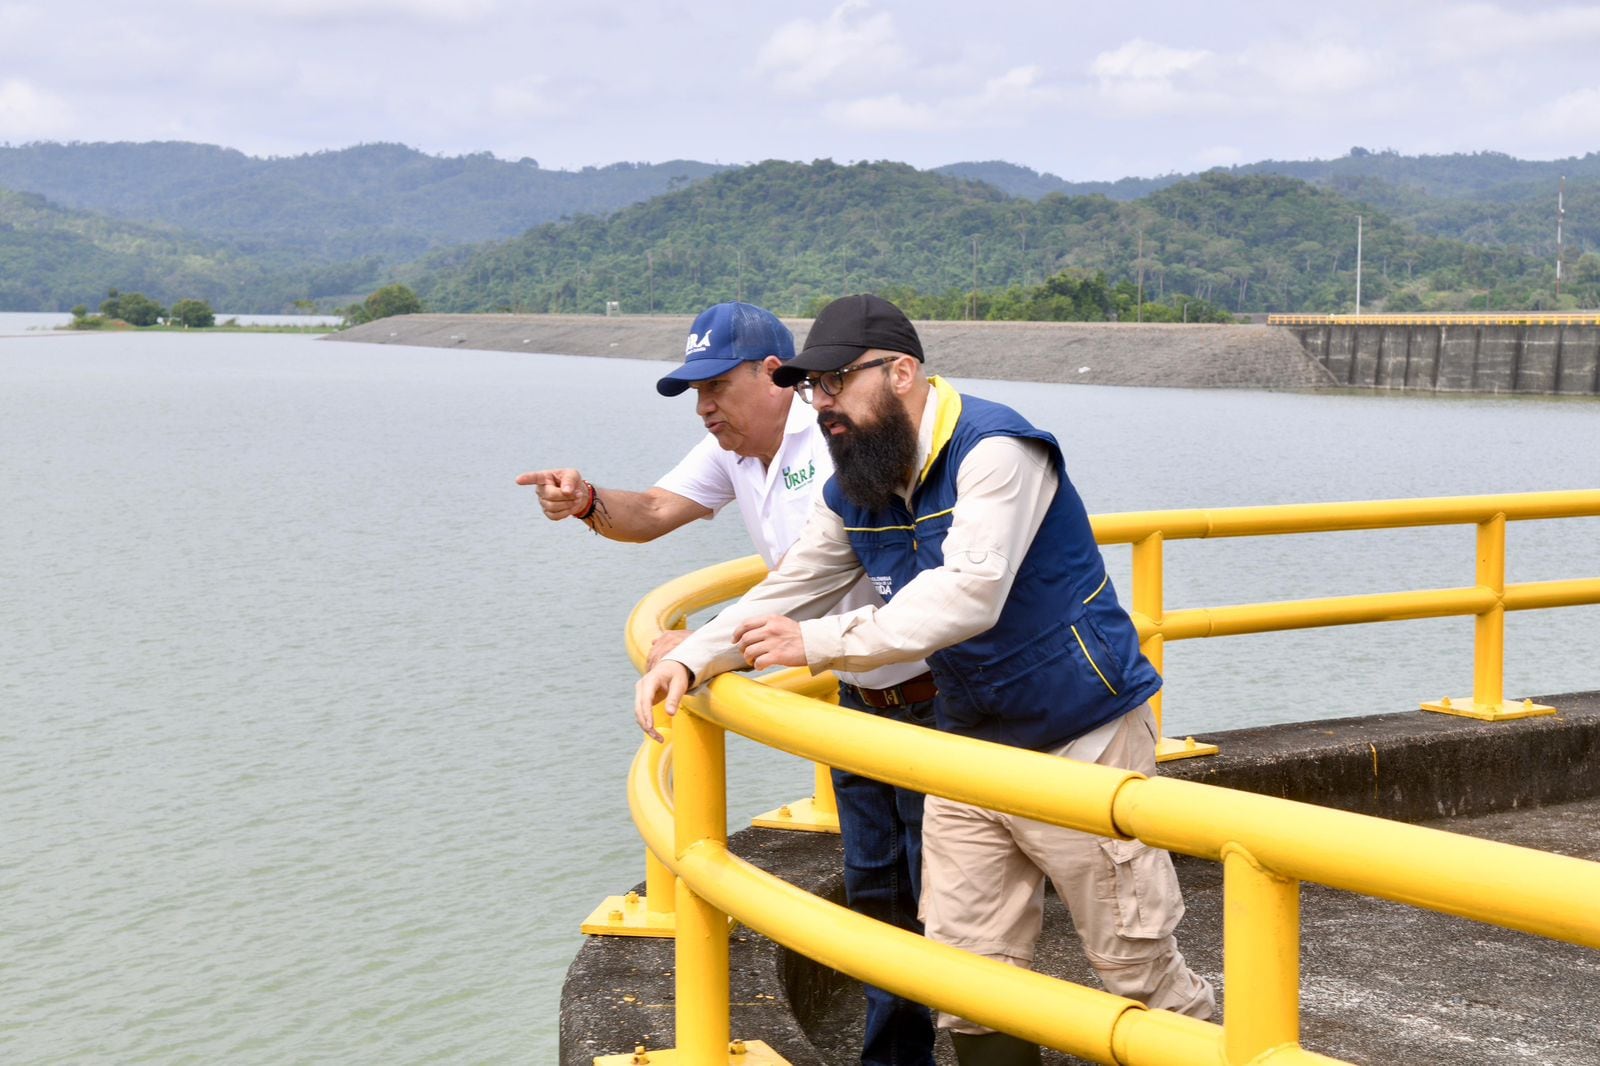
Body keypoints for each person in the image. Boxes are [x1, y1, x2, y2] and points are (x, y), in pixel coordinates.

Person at [634, 294, 1215, 1066]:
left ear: (901, 372)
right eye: (814, 389)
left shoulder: (995, 450)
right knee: (967, 970)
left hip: (1079, 734)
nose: (824, 406)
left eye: (836, 383)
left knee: (1133, 957)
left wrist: (816, 643)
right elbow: (792, 583)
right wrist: (692, 656)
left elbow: (967, 593)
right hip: (966, 743)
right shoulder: (862, 476)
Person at [518, 301, 938, 1066]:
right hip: (857, 698)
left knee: (957, 902)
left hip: (933, 694)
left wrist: (712, 645)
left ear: (775, 375)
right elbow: (648, 510)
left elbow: (818, 582)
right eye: (694, 391)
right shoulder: (734, 450)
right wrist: (584, 502)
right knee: (877, 894)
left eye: (717, 385)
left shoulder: (842, 433)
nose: (706, 406)